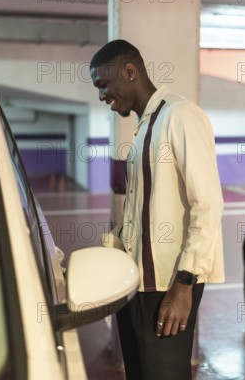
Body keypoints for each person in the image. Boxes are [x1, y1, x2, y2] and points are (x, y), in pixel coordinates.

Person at [90, 39, 224, 380]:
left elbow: (207, 204)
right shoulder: (143, 129)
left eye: (103, 84)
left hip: (169, 284)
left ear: (129, 71)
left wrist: (184, 285)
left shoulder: (179, 116)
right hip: (139, 285)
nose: (102, 96)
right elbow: (140, 214)